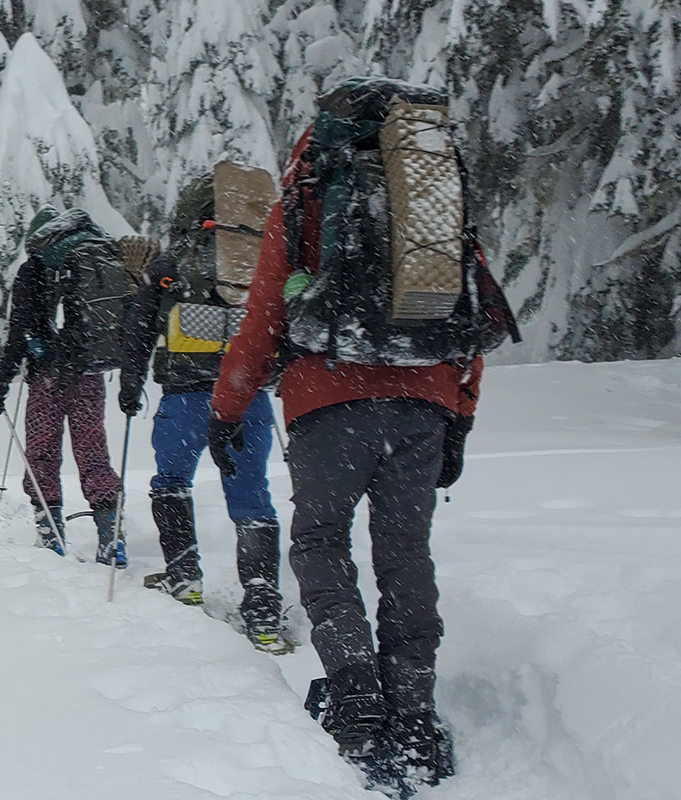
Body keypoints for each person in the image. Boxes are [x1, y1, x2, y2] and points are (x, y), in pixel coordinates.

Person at [210, 79, 507, 792]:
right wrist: (459, 416)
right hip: (423, 400)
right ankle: (412, 703)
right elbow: (474, 312)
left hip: (327, 400)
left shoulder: (308, 194)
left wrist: (228, 408)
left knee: (319, 542)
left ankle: (354, 691)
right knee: (404, 548)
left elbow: (262, 322)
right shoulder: (433, 203)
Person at [117, 185, 288, 654]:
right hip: (245, 398)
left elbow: (137, 331)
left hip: (185, 398)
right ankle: (263, 607)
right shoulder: (255, 262)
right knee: (252, 498)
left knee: (171, 481)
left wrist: (130, 384)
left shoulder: (168, 266)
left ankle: (185, 575)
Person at [0, 206, 124, 564]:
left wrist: (1, 382)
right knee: (92, 451)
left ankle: (51, 533)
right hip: (89, 374)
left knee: (43, 453)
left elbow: (19, 333)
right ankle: (111, 536)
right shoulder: (92, 260)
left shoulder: (33, 270)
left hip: (48, 378)